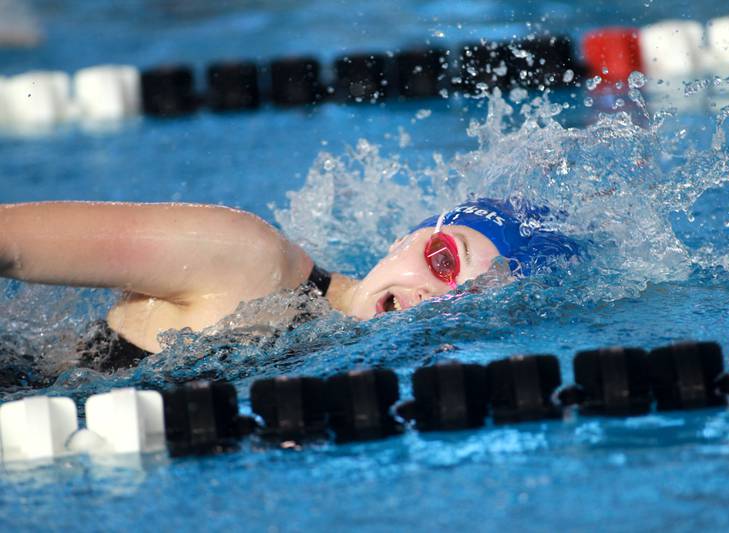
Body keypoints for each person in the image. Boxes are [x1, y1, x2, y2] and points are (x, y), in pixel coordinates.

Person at [0, 197, 582, 367]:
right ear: (403, 241)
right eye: (445, 261)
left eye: (473, 299)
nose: (438, 297)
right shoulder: (248, 260)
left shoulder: (347, 357)